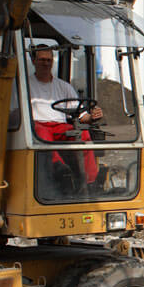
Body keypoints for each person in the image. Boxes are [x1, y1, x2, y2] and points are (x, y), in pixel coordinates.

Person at [27, 47, 103, 185]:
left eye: (49, 60)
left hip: (59, 127)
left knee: (83, 133)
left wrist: (92, 117)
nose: (46, 63)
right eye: (42, 60)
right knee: (42, 134)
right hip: (36, 126)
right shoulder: (25, 85)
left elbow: (81, 116)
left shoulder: (63, 87)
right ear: (33, 61)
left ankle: (91, 181)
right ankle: (60, 170)